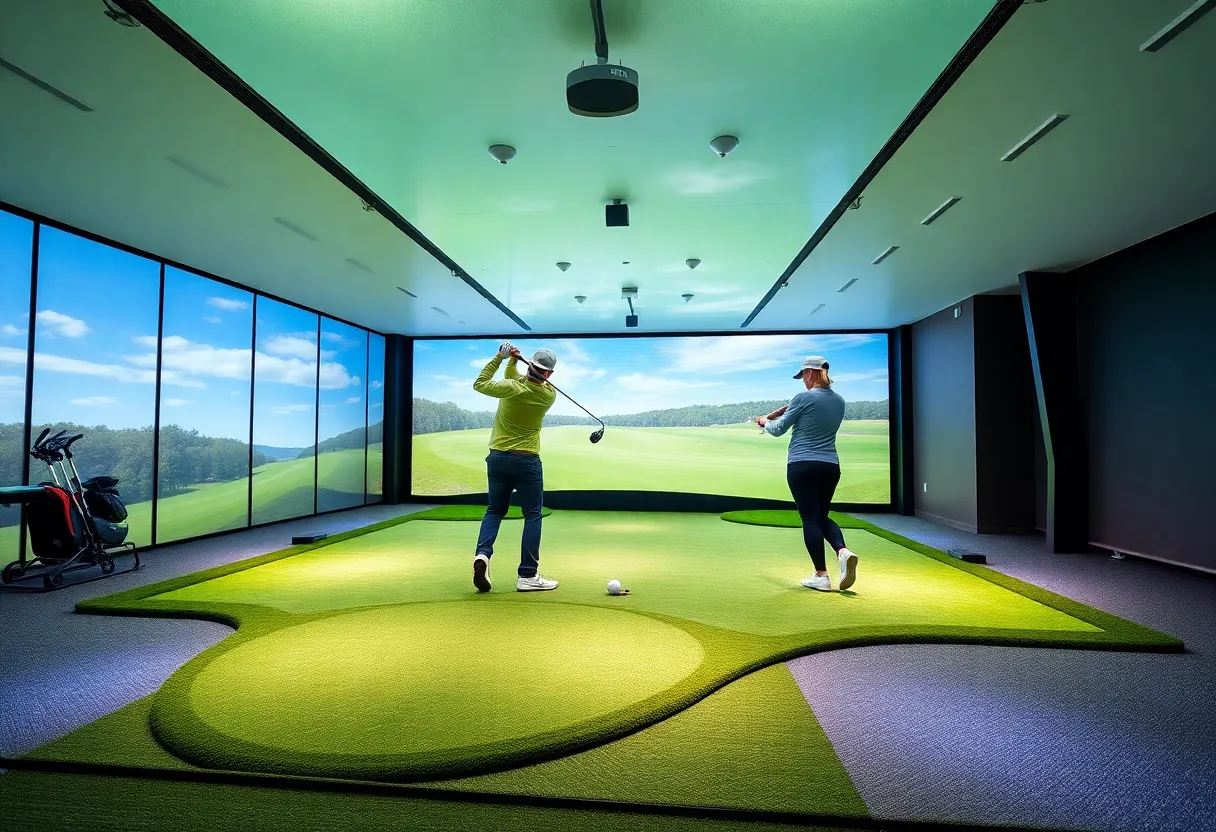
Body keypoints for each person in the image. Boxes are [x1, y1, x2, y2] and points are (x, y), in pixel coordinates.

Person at [754, 356, 859, 592]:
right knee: (821, 516)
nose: (803, 380)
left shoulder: (803, 398)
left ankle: (821, 575)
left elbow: (778, 429)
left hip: (802, 464)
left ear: (809, 373)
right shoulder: (839, 401)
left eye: (803, 376)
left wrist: (763, 422)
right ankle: (842, 551)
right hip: (830, 466)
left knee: (810, 518)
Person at [470, 341, 560, 593]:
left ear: (530, 365)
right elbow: (521, 379)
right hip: (527, 462)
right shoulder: (548, 395)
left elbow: (481, 383)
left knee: (494, 510)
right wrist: (513, 362)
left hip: (498, 459)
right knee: (532, 515)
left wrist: (501, 357)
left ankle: (483, 554)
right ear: (549, 373)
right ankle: (527, 575)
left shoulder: (511, 388)